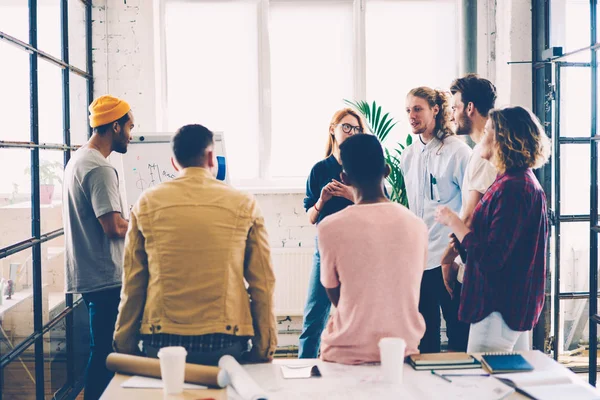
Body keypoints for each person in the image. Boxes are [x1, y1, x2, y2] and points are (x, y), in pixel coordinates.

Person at [113, 124, 277, 365]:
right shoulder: (244, 203)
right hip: (224, 342)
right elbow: (263, 282)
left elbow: (133, 283)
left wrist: (124, 344)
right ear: (211, 156)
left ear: (174, 162)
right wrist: (264, 348)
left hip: (161, 343)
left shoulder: (146, 203)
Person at [435, 106, 550, 352]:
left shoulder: (513, 188)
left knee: (484, 383)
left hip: (498, 308)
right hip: (510, 305)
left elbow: (492, 257)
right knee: (510, 382)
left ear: (503, 139)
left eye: (487, 130)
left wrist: (454, 222)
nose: (481, 139)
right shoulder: (515, 182)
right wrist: (463, 245)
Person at [318, 134, 427, 364]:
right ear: (386, 171)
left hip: (345, 354)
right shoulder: (417, 226)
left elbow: (333, 292)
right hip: (402, 352)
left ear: (344, 178)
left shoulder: (329, 227)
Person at [63, 95, 133, 400]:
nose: (131, 134)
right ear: (115, 126)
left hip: (90, 274)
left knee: (102, 349)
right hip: (106, 276)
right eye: (130, 127)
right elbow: (114, 226)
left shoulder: (78, 160)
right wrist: (145, 225)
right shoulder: (99, 168)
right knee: (105, 354)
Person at [401, 87, 471, 353]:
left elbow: (470, 208)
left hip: (449, 258)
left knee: (458, 334)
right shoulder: (407, 156)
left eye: (417, 109)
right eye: (408, 110)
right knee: (424, 338)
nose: (411, 116)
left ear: (435, 109)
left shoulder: (458, 152)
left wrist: (455, 257)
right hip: (419, 260)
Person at [438, 74, 498, 351]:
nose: (452, 114)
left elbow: (471, 218)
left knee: (467, 355)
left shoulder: (484, 155)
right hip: (477, 264)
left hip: (477, 268)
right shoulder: (485, 150)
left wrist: (448, 261)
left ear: (470, 108)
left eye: (455, 107)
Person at [299, 108, 364, 358]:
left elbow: (383, 206)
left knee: (355, 314)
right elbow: (311, 217)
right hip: (325, 249)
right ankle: (305, 369)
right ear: (333, 130)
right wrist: (322, 200)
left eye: (356, 129)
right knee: (314, 315)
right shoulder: (319, 170)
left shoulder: (364, 166)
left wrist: (352, 195)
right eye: (346, 127)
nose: (351, 133)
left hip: (358, 248)